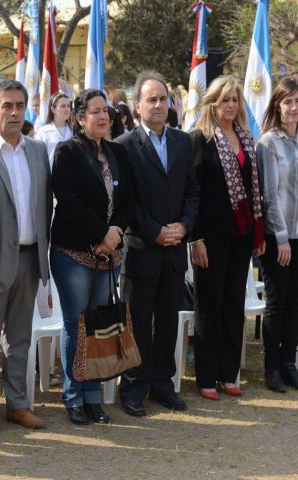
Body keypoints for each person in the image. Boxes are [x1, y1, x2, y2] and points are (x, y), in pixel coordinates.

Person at [0, 80, 51, 437]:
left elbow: (44, 203)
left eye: (20, 105)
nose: (15, 112)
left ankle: (18, 405)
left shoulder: (37, 151)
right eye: (7, 105)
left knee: (19, 337)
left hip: (30, 257)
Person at [115, 71, 199, 416]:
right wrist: (155, 232)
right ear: (138, 106)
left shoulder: (183, 142)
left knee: (167, 322)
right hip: (142, 250)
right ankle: (134, 388)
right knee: (137, 323)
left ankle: (163, 385)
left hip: (175, 250)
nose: (159, 105)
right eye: (151, 99)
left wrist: (184, 226)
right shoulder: (124, 145)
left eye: (163, 99)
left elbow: (193, 191)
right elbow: (128, 203)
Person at [51, 89, 134, 425]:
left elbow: (129, 198)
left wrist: (114, 234)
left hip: (109, 256)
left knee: (100, 325)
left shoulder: (116, 152)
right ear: (80, 117)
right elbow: (68, 201)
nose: (103, 117)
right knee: (77, 325)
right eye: (95, 111)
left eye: (106, 111)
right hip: (73, 252)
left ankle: (93, 397)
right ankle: (73, 396)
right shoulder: (67, 151)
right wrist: (101, 233)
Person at [190, 75, 265, 400]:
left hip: (242, 235)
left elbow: (253, 189)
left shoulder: (247, 138)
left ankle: (228, 373)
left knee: (234, 304)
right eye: (225, 100)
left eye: (235, 99)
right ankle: (206, 376)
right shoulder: (200, 140)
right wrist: (196, 238)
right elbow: (192, 192)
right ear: (212, 103)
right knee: (210, 305)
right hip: (211, 236)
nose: (231, 105)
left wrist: (258, 231)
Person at [257, 77, 298, 392]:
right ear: (277, 105)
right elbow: (269, 196)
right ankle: (271, 368)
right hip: (278, 238)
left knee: (295, 304)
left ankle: (288, 364)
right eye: (288, 101)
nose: (294, 107)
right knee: (277, 302)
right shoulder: (269, 143)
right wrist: (281, 237)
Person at [35, 92, 73, 164]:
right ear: (53, 109)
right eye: (63, 106)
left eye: (68, 106)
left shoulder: (74, 130)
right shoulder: (43, 132)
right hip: (50, 174)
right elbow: (38, 158)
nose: (67, 109)